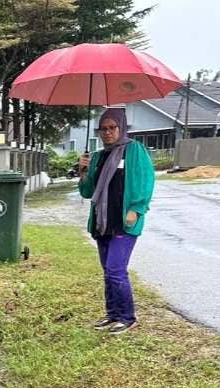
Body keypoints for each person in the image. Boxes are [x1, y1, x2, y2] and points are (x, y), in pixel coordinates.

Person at [77, 108, 155, 335]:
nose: (108, 132)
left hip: (124, 221)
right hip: (102, 221)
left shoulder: (134, 150)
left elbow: (146, 180)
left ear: (121, 128)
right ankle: (112, 314)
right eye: (103, 129)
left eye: (112, 128)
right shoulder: (98, 157)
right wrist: (83, 172)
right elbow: (87, 192)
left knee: (115, 269)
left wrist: (137, 209)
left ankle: (127, 317)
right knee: (108, 271)